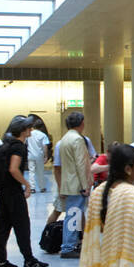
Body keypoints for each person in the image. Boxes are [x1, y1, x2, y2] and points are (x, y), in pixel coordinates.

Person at [0, 115, 48, 267]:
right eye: (29, 127)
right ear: (23, 130)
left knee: (3, 226)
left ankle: (0, 260)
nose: (31, 129)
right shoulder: (19, 146)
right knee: (22, 226)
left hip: (4, 191)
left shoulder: (7, 144)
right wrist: (27, 184)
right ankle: (29, 259)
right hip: (14, 193)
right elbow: (13, 169)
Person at [54, 111, 92, 259]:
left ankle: (70, 244)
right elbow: (81, 164)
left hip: (68, 182)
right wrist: (85, 185)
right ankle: (69, 246)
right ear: (81, 123)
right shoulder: (77, 140)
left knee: (72, 214)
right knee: (74, 215)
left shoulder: (64, 139)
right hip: (76, 184)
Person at [26, 118, 51, 193]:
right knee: (40, 172)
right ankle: (42, 187)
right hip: (39, 155)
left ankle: (32, 188)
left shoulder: (29, 134)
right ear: (41, 127)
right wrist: (46, 156)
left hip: (30, 155)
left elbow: (25, 143)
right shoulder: (43, 135)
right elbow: (45, 146)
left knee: (31, 171)